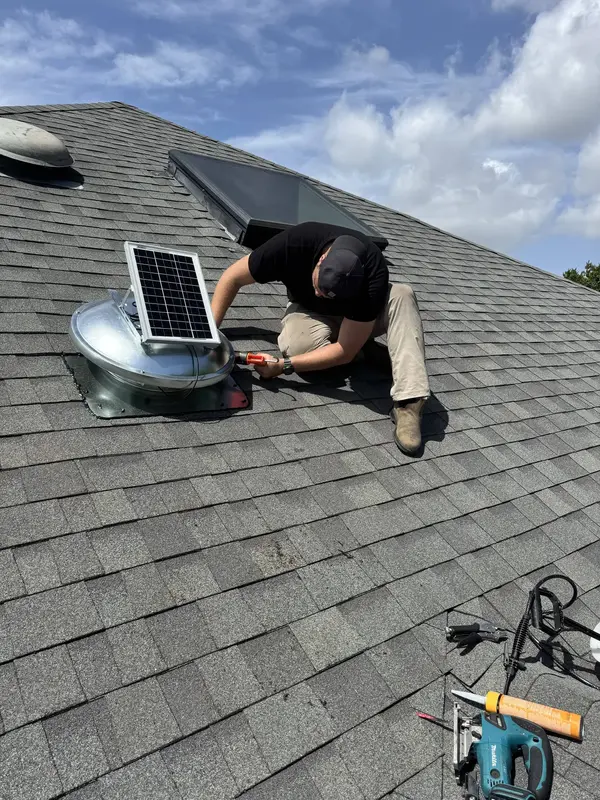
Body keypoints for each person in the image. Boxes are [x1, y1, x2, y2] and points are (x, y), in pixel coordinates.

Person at [211, 221, 430, 455]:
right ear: (322, 259)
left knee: (402, 294)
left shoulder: (373, 273)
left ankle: (409, 401)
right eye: (318, 287)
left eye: (327, 295)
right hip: (309, 312)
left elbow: (344, 350)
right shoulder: (295, 243)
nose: (319, 294)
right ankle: (364, 350)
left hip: (358, 319)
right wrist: (208, 333)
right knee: (296, 346)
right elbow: (232, 277)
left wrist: (283, 366)